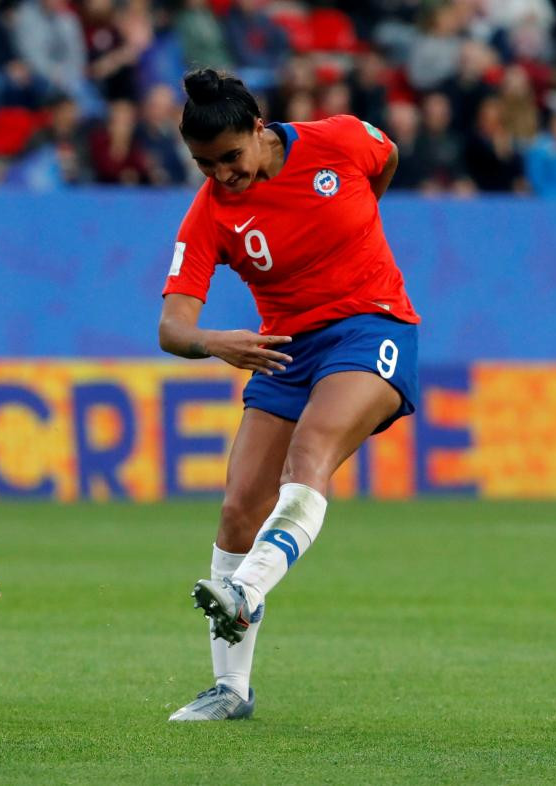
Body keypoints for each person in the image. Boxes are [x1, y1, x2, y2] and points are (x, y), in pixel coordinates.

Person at [158, 69, 420, 721]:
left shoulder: (337, 141)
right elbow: (172, 327)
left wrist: (358, 235)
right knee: (239, 509)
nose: (221, 175)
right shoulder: (212, 211)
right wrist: (218, 343)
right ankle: (230, 690)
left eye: (230, 158)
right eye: (204, 164)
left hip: (370, 324)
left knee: (311, 452)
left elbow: (384, 160)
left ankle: (244, 591)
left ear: (258, 129)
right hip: (282, 350)